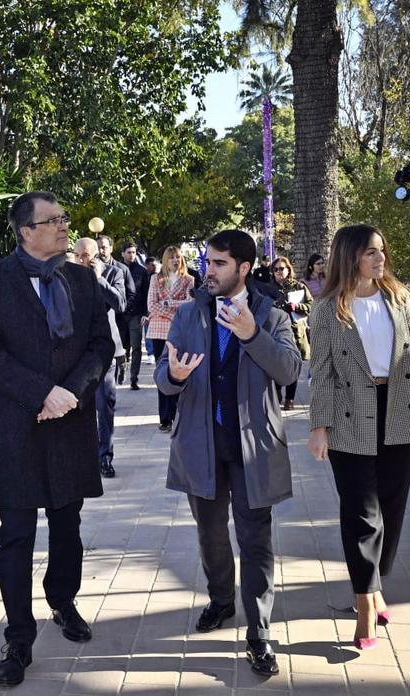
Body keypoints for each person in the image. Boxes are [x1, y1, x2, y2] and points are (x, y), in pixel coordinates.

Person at [0, 191, 115, 688]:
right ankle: (18, 636)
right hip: (16, 427)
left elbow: (102, 345)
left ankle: (63, 601)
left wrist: (70, 392)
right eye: (52, 221)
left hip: (70, 421)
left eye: (64, 218)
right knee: (16, 536)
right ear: (25, 231)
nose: (63, 226)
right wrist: (43, 393)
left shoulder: (81, 279)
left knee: (67, 526)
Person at [155, 229, 301, 678]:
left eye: (218, 263)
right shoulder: (189, 313)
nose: (207, 270)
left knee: (255, 540)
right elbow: (164, 375)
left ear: (243, 267)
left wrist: (252, 335)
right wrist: (174, 377)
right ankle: (221, 601)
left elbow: (290, 369)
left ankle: (259, 633)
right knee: (210, 533)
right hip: (201, 445)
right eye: (206, 261)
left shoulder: (271, 314)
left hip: (252, 447)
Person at [307, 224, 410, 651]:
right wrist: (319, 426)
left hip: (398, 410)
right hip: (349, 417)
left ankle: (376, 584)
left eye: (381, 250)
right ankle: (364, 604)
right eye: (369, 252)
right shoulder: (327, 308)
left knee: (392, 510)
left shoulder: (397, 298)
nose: (380, 259)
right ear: (350, 257)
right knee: (361, 512)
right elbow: (320, 371)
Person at [73, 238, 126, 478]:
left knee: (105, 407)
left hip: (105, 352)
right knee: (78, 407)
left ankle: (105, 457)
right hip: (76, 353)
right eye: (77, 255)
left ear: (95, 256)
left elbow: (121, 304)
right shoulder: (68, 276)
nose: (81, 260)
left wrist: (99, 280)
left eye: (85, 256)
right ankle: (83, 458)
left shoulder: (114, 273)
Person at [146, 245, 194, 432]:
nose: (176, 260)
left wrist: (167, 303)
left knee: (177, 373)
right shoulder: (155, 279)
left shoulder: (188, 280)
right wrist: (174, 311)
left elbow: (190, 303)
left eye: (178, 257)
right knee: (162, 372)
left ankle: (176, 414)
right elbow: (151, 305)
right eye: (172, 257)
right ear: (166, 259)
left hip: (179, 332)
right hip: (159, 331)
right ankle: (164, 418)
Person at [270, 256, 312, 410]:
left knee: (293, 365)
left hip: (295, 332)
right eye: (275, 269)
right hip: (274, 333)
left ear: (288, 269)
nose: (279, 272)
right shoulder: (269, 288)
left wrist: (297, 307)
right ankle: (277, 394)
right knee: (275, 365)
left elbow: (311, 305)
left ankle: (290, 399)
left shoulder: (299, 287)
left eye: (281, 268)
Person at [97, 234, 135, 384]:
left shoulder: (120, 269)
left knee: (123, 346)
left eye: (104, 247)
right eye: (98, 247)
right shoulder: (91, 268)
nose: (101, 251)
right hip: (105, 319)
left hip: (122, 316)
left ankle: (122, 363)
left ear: (111, 248)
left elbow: (130, 293)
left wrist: (127, 312)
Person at [121, 241, 150, 390]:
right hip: (120, 314)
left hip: (136, 314)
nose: (131, 255)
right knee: (121, 348)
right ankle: (120, 373)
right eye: (129, 252)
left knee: (136, 347)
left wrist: (145, 313)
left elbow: (146, 293)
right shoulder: (117, 268)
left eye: (133, 252)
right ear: (123, 253)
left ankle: (134, 378)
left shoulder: (142, 271)